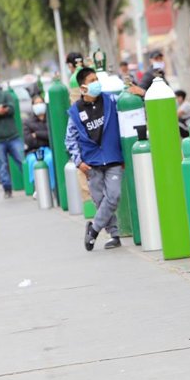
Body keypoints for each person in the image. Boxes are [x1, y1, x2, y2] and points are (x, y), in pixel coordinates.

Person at [64, 67, 141, 251]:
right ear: (83, 88)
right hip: (91, 164)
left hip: (113, 158)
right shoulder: (75, 112)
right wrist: (79, 162)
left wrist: (139, 93)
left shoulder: (111, 100)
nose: (96, 83)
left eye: (96, 79)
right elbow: (69, 139)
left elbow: (130, 104)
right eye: (91, 81)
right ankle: (114, 235)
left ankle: (94, 230)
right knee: (99, 200)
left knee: (113, 196)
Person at [23, 94, 55, 192]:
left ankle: (52, 187)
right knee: (33, 161)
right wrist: (43, 136)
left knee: (50, 159)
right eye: (36, 103)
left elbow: (52, 136)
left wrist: (37, 134)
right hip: (34, 151)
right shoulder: (27, 122)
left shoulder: (51, 118)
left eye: (41, 103)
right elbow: (28, 140)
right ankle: (38, 188)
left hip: (49, 149)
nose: (39, 105)